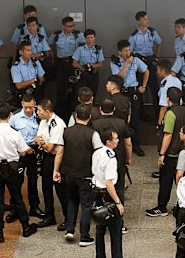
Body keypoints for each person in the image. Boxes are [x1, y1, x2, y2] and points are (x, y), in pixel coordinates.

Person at [0, 103, 38, 243]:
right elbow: (22, 152)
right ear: (10, 116)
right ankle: (25, 226)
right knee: (17, 197)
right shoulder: (15, 133)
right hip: (12, 168)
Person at [53, 105, 103, 246]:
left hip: (68, 173)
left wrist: (56, 170)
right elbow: (99, 155)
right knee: (86, 204)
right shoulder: (93, 134)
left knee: (72, 201)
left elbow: (60, 152)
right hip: (85, 173)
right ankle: (84, 236)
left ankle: (69, 229)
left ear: (75, 117)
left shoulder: (66, 132)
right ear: (89, 118)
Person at [92, 129, 136, 258]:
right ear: (108, 142)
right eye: (115, 139)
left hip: (97, 193)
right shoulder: (111, 158)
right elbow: (109, 182)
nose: (118, 141)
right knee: (116, 232)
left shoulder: (97, 153)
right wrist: (118, 202)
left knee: (100, 228)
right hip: (109, 195)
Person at [146, 88, 185, 217]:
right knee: (181, 181)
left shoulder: (170, 114)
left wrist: (162, 153)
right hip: (184, 151)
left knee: (165, 181)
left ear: (167, 99)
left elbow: (168, 135)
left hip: (172, 153)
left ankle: (162, 207)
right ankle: (183, 205)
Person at [92, 99, 132, 224]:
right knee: (119, 188)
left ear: (100, 109)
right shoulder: (121, 123)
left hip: (100, 160)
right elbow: (128, 143)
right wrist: (128, 158)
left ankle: (101, 216)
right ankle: (119, 220)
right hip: (118, 159)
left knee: (101, 186)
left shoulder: (95, 124)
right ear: (114, 109)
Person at [9, 94, 45, 220]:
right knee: (16, 181)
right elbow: (10, 136)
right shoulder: (15, 118)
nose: (29, 110)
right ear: (22, 104)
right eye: (26, 107)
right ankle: (15, 209)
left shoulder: (39, 118)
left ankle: (34, 206)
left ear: (34, 104)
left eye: (31, 107)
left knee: (33, 180)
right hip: (19, 152)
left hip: (33, 151)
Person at [34, 99, 68, 230]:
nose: (37, 113)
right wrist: (40, 142)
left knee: (61, 190)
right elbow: (37, 138)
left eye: (39, 110)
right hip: (46, 158)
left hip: (57, 158)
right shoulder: (43, 121)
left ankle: (68, 218)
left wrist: (42, 143)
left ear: (47, 111)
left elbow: (50, 147)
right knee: (46, 187)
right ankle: (49, 216)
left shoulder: (58, 124)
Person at [111, 39, 149, 156]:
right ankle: (121, 145)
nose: (128, 53)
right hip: (121, 92)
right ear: (120, 52)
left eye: (129, 50)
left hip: (133, 92)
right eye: (125, 51)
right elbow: (118, 78)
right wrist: (126, 64)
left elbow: (146, 71)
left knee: (134, 119)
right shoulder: (115, 62)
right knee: (121, 119)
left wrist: (143, 85)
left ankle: (136, 145)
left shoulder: (136, 60)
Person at [49, 16, 86, 121]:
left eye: (72, 26)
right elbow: (49, 44)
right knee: (60, 86)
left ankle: (73, 107)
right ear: (63, 26)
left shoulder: (77, 35)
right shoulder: (56, 35)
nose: (71, 28)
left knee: (74, 85)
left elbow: (83, 46)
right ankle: (61, 110)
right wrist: (53, 55)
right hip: (60, 62)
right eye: (69, 26)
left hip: (72, 62)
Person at [128, 11, 162, 120]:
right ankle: (141, 114)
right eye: (144, 19)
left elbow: (159, 42)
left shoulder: (152, 32)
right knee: (139, 88)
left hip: (150, 60)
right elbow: (130, 52)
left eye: (147, 18)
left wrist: (156, 56)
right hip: (139, 61)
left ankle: (158, 114)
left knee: (154, 87)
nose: (147, 21)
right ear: (138, 21)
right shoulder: (133, 36)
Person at [72, 29, 104, 99]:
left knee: (93, 94)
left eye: (91, 38)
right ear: (85, 38)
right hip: (83, 74)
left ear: (94, 37)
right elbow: (74, 63)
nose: (90, 40)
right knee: (81, 94)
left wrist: (93, 65)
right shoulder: (80, 49)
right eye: (88, 38)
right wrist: (83, 67)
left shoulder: (98, 49)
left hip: (93, 74)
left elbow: (101, 64)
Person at [156, 59, 182, 126]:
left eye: (158, 70)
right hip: (179, 111)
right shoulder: (177, 80)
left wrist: (159, 123)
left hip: (169, 113)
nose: (157, 72)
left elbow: (164, 107)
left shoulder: (165, 86)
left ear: (163, 71)